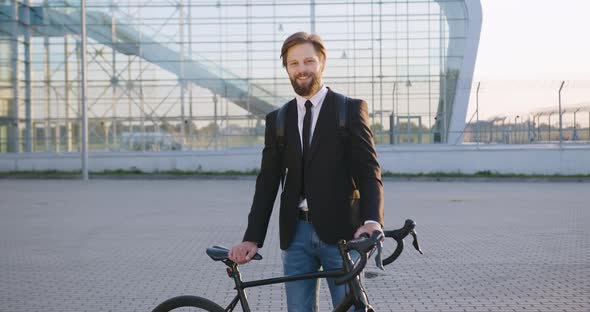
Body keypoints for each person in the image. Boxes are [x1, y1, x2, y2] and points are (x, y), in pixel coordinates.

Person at [228, 32, 384, 312]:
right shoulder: (278, 119)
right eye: (294, 63)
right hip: (295, 234)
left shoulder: (348, 110)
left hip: (343, 234)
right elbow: (267, 182)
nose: (301, 69)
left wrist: (372, 220)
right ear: (287, 68)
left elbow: (368, 171)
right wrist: (253, 236)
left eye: (308, 61)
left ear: (321, 62)